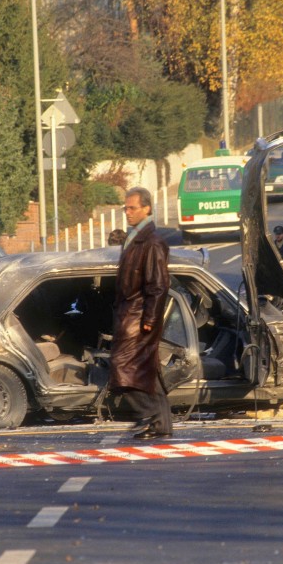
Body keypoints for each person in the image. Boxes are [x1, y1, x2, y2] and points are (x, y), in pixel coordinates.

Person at [109, 187, 172, 440]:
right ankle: (161, 425)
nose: (127, 212)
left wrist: (149, 319)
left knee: (122, 369)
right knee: (145, 371)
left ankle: (149, 415)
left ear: (146, 208)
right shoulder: (135, 237)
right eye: (125, 208)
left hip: (138, 317)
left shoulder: (152, 242)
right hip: (130, 315)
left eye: (132, 208)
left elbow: (157, 286)